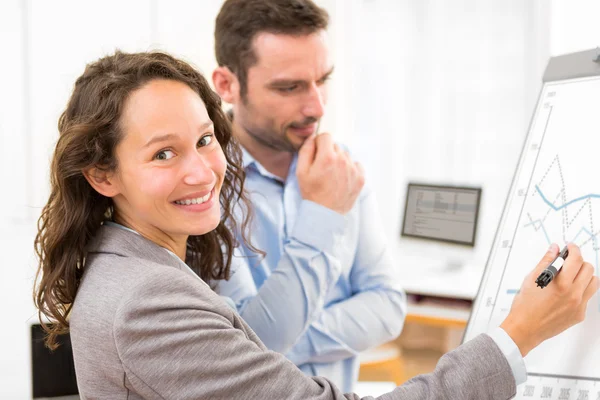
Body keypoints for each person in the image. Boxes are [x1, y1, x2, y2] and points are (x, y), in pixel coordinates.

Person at [33, 50, 598, 399]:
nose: (202, 170)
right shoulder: (145, 302)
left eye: (205, 140)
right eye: (163, 154)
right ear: (103, 176)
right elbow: (265, 342)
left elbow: (386, 305)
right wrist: (518, 334)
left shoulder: (137, 262)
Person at [211, 0, 405, 391]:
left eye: (323, 80)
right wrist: (324, 213)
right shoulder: (203, 185)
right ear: (227, 85)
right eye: (289, 87)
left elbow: (387, 308)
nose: (317, 106)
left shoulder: (342, 167)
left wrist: (283, 339)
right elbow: (251, 344)